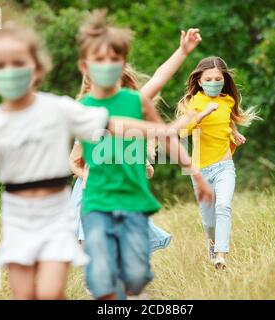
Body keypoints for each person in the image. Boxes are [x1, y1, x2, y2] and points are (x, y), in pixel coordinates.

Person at [0, 22, 194, 300]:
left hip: (99, 202)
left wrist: (181, 57)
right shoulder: (73, 112)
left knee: (62, 287)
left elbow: (141, 94)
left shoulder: (125, 103)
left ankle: (120, 287)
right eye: (1, 66)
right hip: (63, 201)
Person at [76, 9, 213, 300]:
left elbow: (166, 135)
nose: (107, 65)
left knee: (136, 276)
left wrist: (196, 174)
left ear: (123, 63)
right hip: (97, 200)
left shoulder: (137, 101)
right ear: (84, 66)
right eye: (99, 60)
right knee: (101, 277)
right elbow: (36, 105)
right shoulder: (80, 110)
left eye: (114, 59)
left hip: (134, 201)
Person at [70, 27, 203, 253]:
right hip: (93, 190)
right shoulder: (84, 114)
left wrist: (182, 51)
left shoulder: (134, 103)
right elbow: (74, 161)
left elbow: (159, 78)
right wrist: (85, 175)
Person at [178, 56, 259, 270]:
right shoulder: (193, 103)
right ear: (199, 81)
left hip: (224, 165)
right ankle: (213, 245)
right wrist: (203, 114)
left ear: (224, 80)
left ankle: (222, 255)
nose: (214, 82)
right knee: (208, 222)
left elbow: (227, 118)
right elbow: (182, 131)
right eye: (209, 79)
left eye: (218, 78)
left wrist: (234, 132)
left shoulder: (228, 101)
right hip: (199, 171)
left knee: (224, 205)